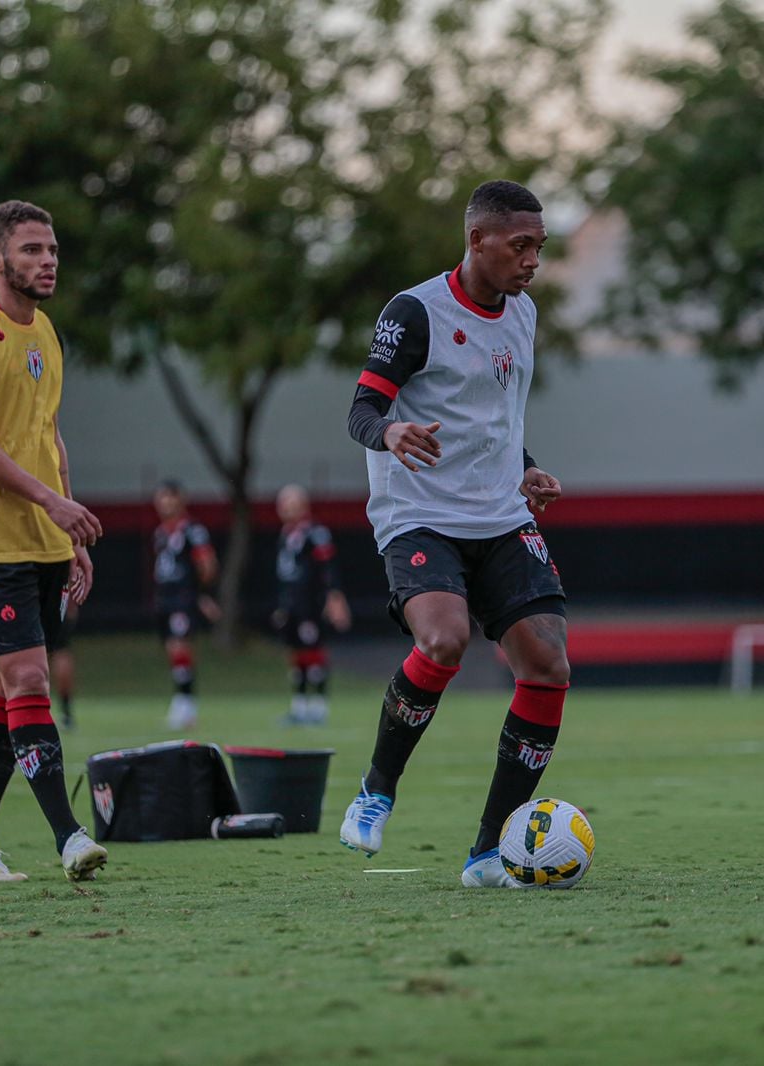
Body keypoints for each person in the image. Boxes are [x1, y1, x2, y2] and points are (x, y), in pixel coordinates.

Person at [338, 179, 570, 887]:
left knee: (548, 666)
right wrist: (392, 430)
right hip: (420, 514)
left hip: (500, 513)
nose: (531, 260)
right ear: (478, 240)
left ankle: (489, 851)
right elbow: (360, 411)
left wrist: (525, 468)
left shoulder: (523, 313)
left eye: (540, 246)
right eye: (520, 245)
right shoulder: (416, 313)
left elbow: (495, 415)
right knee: (443, 639)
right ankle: (376, 788)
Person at [0, 199, 109, 883]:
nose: (48, 261)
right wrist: (50, 502)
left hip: (43, 536)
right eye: (32, 250)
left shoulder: (48, 333)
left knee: (9, 690)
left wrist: (72, 532)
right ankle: (68, 837)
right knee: (31, 677)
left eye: (53, 249)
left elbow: (47, 433)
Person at [272, 484, 352, 725]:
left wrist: (334, 597)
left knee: (314, 651)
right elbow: (285, 574)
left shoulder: (315, 533)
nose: (287, 509)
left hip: (311, 603)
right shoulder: (286, 535)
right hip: (291, 605)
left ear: (303, 505)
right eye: (284, 505)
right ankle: (299, 706)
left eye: (292, 504)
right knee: (295, 655)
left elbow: (328, 568)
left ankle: (318, 706)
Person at [152, 479, 220, 730]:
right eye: (161, 498)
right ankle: (182, 700)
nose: (165, 503)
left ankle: (186, 705)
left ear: (181, 499)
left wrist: (201, 593)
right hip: (165, 598)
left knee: (181, 647)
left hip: (183, 597)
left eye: (170, 497)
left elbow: (207, 564)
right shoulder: (160, 532)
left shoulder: (192, 530)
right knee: (172, 648)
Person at [50, 602, 77, 729]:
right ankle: (66, 713)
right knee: (61, 651)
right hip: (61, 603)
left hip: (33, 601)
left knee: (27, 654)